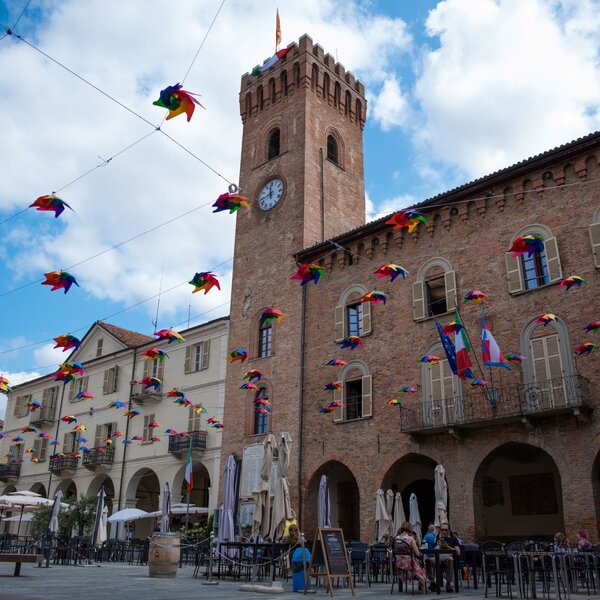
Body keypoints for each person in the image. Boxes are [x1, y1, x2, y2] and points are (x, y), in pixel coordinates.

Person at [425, 523, 460, 592]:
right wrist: (437, 546)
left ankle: (448, 583)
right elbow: (434, 553)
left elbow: (458, 552)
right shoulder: (438, 539)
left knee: (450, 559)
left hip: (448, 557)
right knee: (427, 560)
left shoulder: (454, 539)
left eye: (446, 530)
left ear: (449, 531)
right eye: (442, 530)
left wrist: (447, 546)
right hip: (438, 557)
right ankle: (433, 582)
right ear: (440, 530)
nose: (444, 531)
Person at [393, 521, 426, 592]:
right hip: (409, 564)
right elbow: (417, 553)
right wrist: (422, 556)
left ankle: (410, 579)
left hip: (398, 564)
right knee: (422, 562)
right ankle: (422, 585)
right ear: (410, 529)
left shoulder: (396, 538)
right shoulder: (410, 539)